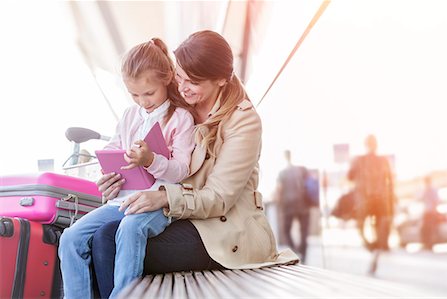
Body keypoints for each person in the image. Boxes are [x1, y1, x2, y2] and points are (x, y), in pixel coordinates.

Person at [91, 30, 299, 298]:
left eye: (194, 81)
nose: (182, 86)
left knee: (109, 241)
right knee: (103, 234)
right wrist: (117, 182)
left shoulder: (243, 121)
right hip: (183, 219)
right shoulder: (178, 107)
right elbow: (154, 162)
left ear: (222, 80)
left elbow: (219, 198)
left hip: (224, 230)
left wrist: (163, 198)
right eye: (179, 77)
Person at [58, 38, 196, 299]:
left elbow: (181, 170)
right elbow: (112, 149)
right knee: (70, 238)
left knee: (130, 229)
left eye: (149, 93)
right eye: (134, 94)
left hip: (158, 202)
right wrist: (107, 173)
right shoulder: (129, 116)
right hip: (121, 200)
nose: (143, 101)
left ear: (166, 79)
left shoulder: (181, 118)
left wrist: (150, 160)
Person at [347, 134, 395, 251]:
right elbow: (391, 181)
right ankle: (378, 243)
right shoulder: (383, 160)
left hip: (366, 199)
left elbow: (350, 176)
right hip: (379, 198)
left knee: (363, 223)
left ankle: (373, 244)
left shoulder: (359, 160)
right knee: (379, 222)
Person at [275, 150, 311, 262]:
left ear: (285, 157)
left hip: (288, 205)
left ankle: (296, 251)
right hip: (303, 205)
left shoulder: (282, 173)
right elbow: (310, 183)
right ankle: (303, 254)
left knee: (286, 230)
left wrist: (279, 203)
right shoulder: (302, 170)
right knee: (304, 231)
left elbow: (279, 190)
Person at [420, 175, 440, 250]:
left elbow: (436, 201)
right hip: (426, 212)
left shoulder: (433, 189)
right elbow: (421, 199)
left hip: (431, 212)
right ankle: (426, 244)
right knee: (425, 228)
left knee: (431, 229)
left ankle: (430, 245)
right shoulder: (425, 189)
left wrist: (434, 211)